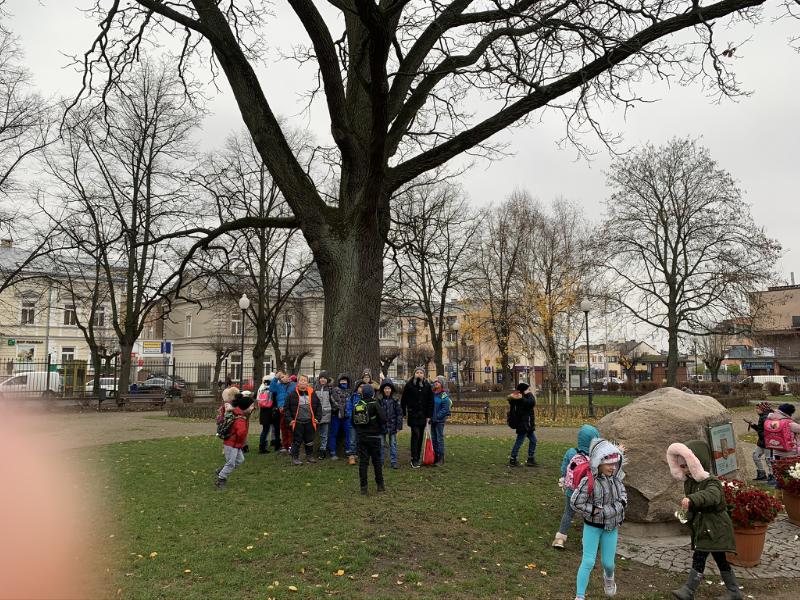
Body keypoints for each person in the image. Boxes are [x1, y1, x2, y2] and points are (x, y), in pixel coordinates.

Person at [666, 440, 741, 600]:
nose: (684, 470)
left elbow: (712, 496)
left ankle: (689, 590)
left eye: (687, 466)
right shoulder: (690, 482)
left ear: (697, 463)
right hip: (705, 528)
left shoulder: (712, 482)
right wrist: (686, 514)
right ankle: (733, 591)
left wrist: (692, 499)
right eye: (681, 466)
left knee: (701, 557)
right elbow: (694, 506)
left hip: (716, 528)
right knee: (719, 560)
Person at [570, 438, 626, 600]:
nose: (613, 467)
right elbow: (576, 502)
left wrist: (621, 503)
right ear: (599, 462)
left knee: (608, 563)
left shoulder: (616, 478)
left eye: (615, 463)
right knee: (588, 561)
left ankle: (609, 578)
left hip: (611, 528)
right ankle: (579, 596)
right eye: (609, 464)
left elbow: (623, 495)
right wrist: (594, 511)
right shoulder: (589, 481)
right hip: (592, 527)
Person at [552, 424, 600, 549]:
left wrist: (565, 479)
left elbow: (564, 469)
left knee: (568, 513)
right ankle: (587, 541)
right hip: (589, 492)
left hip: (571, 491)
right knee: (588, 515)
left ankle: (559, 539)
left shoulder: (571, 452)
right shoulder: (596, 456)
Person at [215, 390, 255, 490]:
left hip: (236, 444)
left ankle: (222, 470)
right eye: (251, 406)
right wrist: (243, 439)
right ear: (245, 407)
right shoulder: (240, 419)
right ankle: (221, 479)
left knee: (240, 460)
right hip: (231, 444)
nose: (253, 408)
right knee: (231, 463)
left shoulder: (241, 415)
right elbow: (241, 433)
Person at [351, 383, 387, 495]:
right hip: (375, 437)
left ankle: (363, 487)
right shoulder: (375, 404)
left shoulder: (357, 405)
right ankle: (380, 486)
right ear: (372, 394)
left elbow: (353, 422)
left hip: (362, 437)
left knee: (363, 463)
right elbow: (383, 419)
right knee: (377, 462)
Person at [284, 374, 322, 466]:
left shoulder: (312, 393)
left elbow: (318, 406)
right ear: (298, 382)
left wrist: (317, 418)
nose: (303, 382)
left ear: (307, 383)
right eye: (301, 380)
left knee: (309, 440)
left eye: (305, 380)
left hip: (309, 421)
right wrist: (290, 420)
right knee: (297, 441)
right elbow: (286, 409)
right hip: (297, 422)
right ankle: (295, 458)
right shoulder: (292, 394)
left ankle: (310, 456)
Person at [401, 366, 434, 469]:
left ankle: (418, 456)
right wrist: (404, 412)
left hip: (423, 415)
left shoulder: (427, 386)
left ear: (424, 375)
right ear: (414, 374)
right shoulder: (409, 385)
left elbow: (430, 401)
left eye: (421, 373)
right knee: (415, 434)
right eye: (417, 372)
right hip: (413, 415)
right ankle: (414, 458)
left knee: (420, 436)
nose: (419, 374)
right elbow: (403, 400)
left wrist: (429, 415)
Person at [507, 382, 537, 467]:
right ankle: (513, 458)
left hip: (527, 424)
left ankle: (530, 458)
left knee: (533, 440)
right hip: (524, 425)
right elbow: (532, 402)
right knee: (519, 441)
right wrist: (528, 393)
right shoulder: (521, 399)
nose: (529, 390)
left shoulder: (521, 398)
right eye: (528, 389)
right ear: (524, 390)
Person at [744, 401, 773, 481]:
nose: (756, 410)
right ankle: (761, 474)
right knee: (755, 456)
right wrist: (752, 425)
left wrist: (764, 436)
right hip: (762, 442)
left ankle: (772, 476)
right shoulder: (762, 416)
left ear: (763, 409)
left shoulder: (766, 418)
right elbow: (760, 430)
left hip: (767, 443)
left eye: (758, 408)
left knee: (768, 459)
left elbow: (769, 431)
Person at [270, 371, 296, 454]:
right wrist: (275, 378)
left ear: (288, 376)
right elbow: (271, 388)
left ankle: (290, 446)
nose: (283, 378)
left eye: (284, 376)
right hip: (282, 409)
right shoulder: (278, 386)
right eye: (281, 377)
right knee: (283, 428)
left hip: (291, 409)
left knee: (290, 428)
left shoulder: (294, 385)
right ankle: (285, 445)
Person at [378, 379, 403, 469]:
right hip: (381, 426)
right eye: (385, 388)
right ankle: (380, 461)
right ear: (383, 389)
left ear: (391, 389)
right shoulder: (379, 400)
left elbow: (399, 413)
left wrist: (398, 426)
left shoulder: (395, 399)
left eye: (389, 388)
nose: (387, 390)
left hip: (393, 425)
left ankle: (393, 462)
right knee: (381, 444)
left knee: (393, 444)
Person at [328, 373, 352, 461]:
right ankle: (332, 452)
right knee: (333, 434)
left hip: (346, 417)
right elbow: (333, 400)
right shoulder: (335, 390)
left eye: (345, 380)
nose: (343, 382)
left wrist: (347, 411)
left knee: (348, 434)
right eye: (342, 380)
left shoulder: (350, 391)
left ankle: (348, 451)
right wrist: (340, 408)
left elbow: (350, 403)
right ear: (339, 381)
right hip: (336, 416)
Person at [430, 379, 452, 467]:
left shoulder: (443, 395)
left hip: (439, 421)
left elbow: (445, 409)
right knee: (434, 439)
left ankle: (441, 458)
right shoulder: (432, 393)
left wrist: (436, 417)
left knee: (439, 439)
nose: (436, 383)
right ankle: (435, 456)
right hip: (432, 420)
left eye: (438, 382)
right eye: (435, 381)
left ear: (442, 384)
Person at [315, 371, 334, 459]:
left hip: (326, 413)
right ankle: (310, 450)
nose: (322, 379)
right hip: (316, 414)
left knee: (324, 434)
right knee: (312, 433)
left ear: (327, 379)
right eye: (321, 378)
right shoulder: (315, 387)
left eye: (324, 378)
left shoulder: (330, 389)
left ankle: (322, 450)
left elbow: (333, 400)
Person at [256, 375, 276, 454]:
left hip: (263, 411)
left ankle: (262, 446)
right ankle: (262, 447)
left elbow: (258, 399)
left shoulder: (261, 387)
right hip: (268, 411)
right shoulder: (269, 389)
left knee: (265, 430)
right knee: (266, 430)